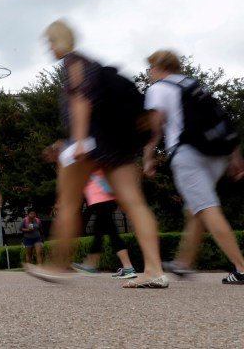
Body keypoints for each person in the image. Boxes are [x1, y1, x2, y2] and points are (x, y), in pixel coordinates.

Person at [26, 21, 167, 288]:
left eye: (50, 42)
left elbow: (81, 99)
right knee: (134, 204)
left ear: (60, 40)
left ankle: (58, 265)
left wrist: (78, 141)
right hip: (116, 145)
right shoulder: (94, 64)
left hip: (91, 143)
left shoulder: (73, 61)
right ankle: (155, 270)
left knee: (67, 204)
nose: (49, 47)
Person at [143, 49, 244, 285]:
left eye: (150, 68)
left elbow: (154, 129)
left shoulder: (158, 88)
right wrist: (235, 156)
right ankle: (184, 262)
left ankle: (241, 267)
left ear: (159, 67)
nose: (149, 73)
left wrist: (148, 157)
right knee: (194, 209)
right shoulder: (194, 85)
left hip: (188, 154)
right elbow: (221, 119)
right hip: (217, 155)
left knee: (206, 208)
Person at [69, 172, 135, 278]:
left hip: (102, 198)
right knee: (102, 232)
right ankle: (93, 265)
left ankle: (127, 268)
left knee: (109, 233)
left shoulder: (92, 162)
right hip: (102, 198)